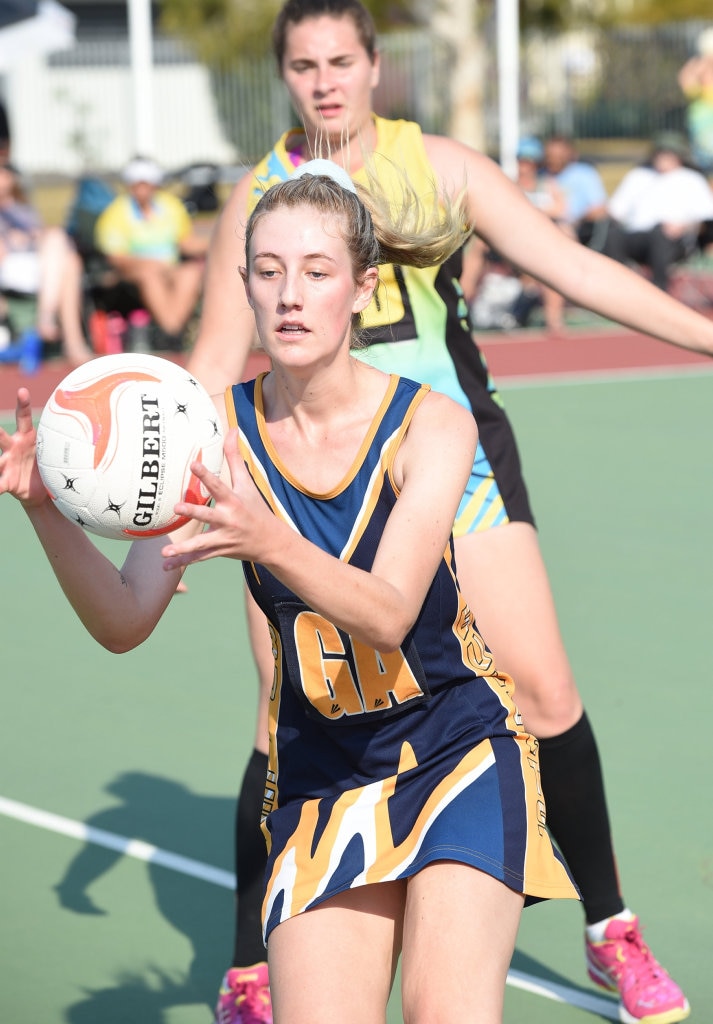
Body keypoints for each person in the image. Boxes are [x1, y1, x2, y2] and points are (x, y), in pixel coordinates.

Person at [187, 5, 710, 1024]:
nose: (324, 82)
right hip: (305, 479)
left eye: (342, 61)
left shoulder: (437, 167)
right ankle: (252, 962)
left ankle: (608, 926)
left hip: (450, 462)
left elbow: (571, 266)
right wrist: (156, 469)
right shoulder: (263, 198)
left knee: (543, 692)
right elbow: (211, 362)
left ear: (377, 67)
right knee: (282, 711)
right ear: (284, 76)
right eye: (302, 65)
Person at [0, 167, 580, 1024]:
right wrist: (46, 512)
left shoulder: (429, 425)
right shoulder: (210, 431)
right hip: (321, 771)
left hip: (454, 747)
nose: (291, 294)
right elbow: (124, 622)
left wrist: (267, 537)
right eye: (267, 272)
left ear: (362, 288)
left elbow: (387, 612)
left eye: (316, 270)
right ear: (243, 289)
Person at [94, 155, 208, 346]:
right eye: (137, 184)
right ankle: (172, 332)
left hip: (169, 267)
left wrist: (216, 243)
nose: (142, 190)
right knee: (149, 274)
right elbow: (116, 258)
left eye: (146, 184)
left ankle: (172, 330)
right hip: (132, 272)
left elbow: (185, 242)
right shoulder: (116, 212)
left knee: (191, 273)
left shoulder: (171, 206)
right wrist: (150, 264)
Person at [0, 161, 93, 366]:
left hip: (36, 261)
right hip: (10, 264)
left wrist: (28, 238)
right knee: (66, 257)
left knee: (68, 258)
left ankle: (57, 327)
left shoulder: (21, 208)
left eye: (6, 174)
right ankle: (69, 338)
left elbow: (38, 234)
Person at [602, 132, 713, 292]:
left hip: (673, 240)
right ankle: (615, 290)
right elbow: (615, 211)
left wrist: (684, 227)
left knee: (659, 236)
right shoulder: (638, 176)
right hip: (637, 236)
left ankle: (659, 291)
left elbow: (706, 220)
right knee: (613, 236)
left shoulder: (692, 180)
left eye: (668, 154)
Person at [543, 133, 610, 250]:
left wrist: (577, 221)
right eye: (550, 156)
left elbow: (600, 208)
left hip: (577, 227)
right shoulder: (542, 175)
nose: (552, 160)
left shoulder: (584, 173)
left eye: (557, 156)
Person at [677, 26, 713, 178]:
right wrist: (702, 63)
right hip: (704, 121)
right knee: (705, 162)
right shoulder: (699, 67)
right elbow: (686, 82)